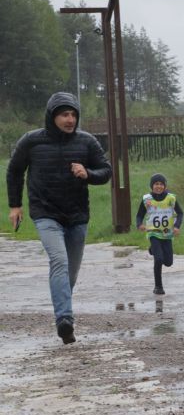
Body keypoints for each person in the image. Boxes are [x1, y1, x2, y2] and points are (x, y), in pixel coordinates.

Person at [6, 92, 112, 344]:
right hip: (45, 213)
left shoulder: (86, 142)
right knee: (59, 262)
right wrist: (15, 205)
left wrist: (87, 173)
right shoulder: (31, 141)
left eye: (74, 114)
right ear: (52, 116)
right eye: (65, 114)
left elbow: (106, 171)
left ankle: (63, 306)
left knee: (70, 274)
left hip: (77, 216)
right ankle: (64, 320)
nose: (70, 119)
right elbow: (14, 171)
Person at [135, 173, 184, 295]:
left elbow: (180, 213)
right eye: (156, 184)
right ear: (152, 186)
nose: (159, 186)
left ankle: (152, 250)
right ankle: (158, 286)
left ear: (165, 186)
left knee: (168, 262)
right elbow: (139, 214)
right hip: (153, 233)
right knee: (159, 259)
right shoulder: (147, 199)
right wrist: (139, 224)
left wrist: (177, 226)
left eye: (161, 184)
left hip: (167, 234)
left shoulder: (171, 199)